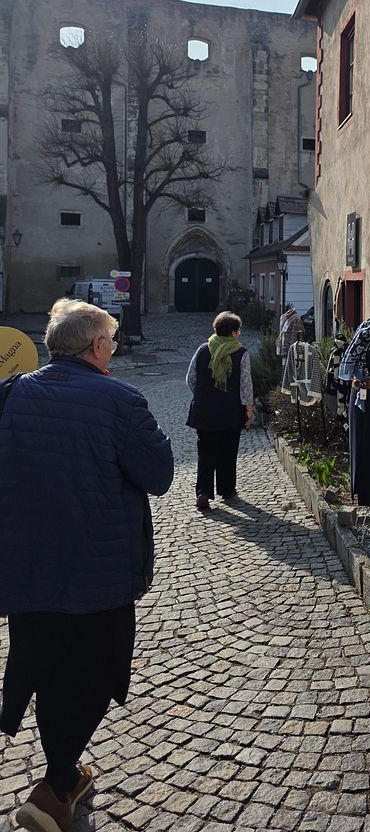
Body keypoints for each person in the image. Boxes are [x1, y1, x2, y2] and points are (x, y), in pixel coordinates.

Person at [0, 298, 174, 832]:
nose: (114, 349)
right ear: (97, 345)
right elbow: (160, 474)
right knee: (96, 675)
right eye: (112, 341)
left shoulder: (9, 394)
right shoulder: (120, 399)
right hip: (99, 574)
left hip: (27, 570)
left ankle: (63, 780)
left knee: (48, 671)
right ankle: (55, 790)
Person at [186, 311, 254, 511]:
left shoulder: (202, 350)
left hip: (204, 410)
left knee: (206, 452)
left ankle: (203, 492)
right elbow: (246, 385)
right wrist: (249, 409)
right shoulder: (241, 353)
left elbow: (190, 379)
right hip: (230, 411)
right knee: (228, 451)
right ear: (233, 332)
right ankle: (227, 489)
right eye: (238, 331)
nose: (238, 334)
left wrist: (204, 395)